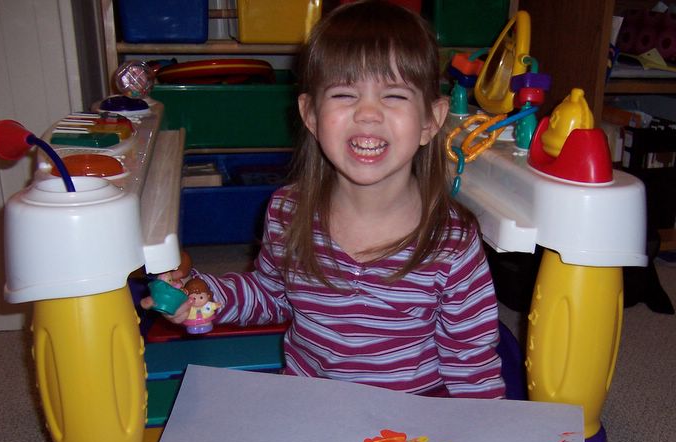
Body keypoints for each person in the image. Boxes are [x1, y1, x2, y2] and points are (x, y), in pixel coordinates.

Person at [145, 0, 506, 399]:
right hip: (311, 406)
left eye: (394, 96)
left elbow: (472, 366)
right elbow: (271, 296)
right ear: (311, 115)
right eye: (345, 94)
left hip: (410, 420)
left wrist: (481, 430)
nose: (368, 113)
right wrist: (208, 294)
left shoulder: (452, 241)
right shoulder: (288, 211)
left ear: (430, 120)